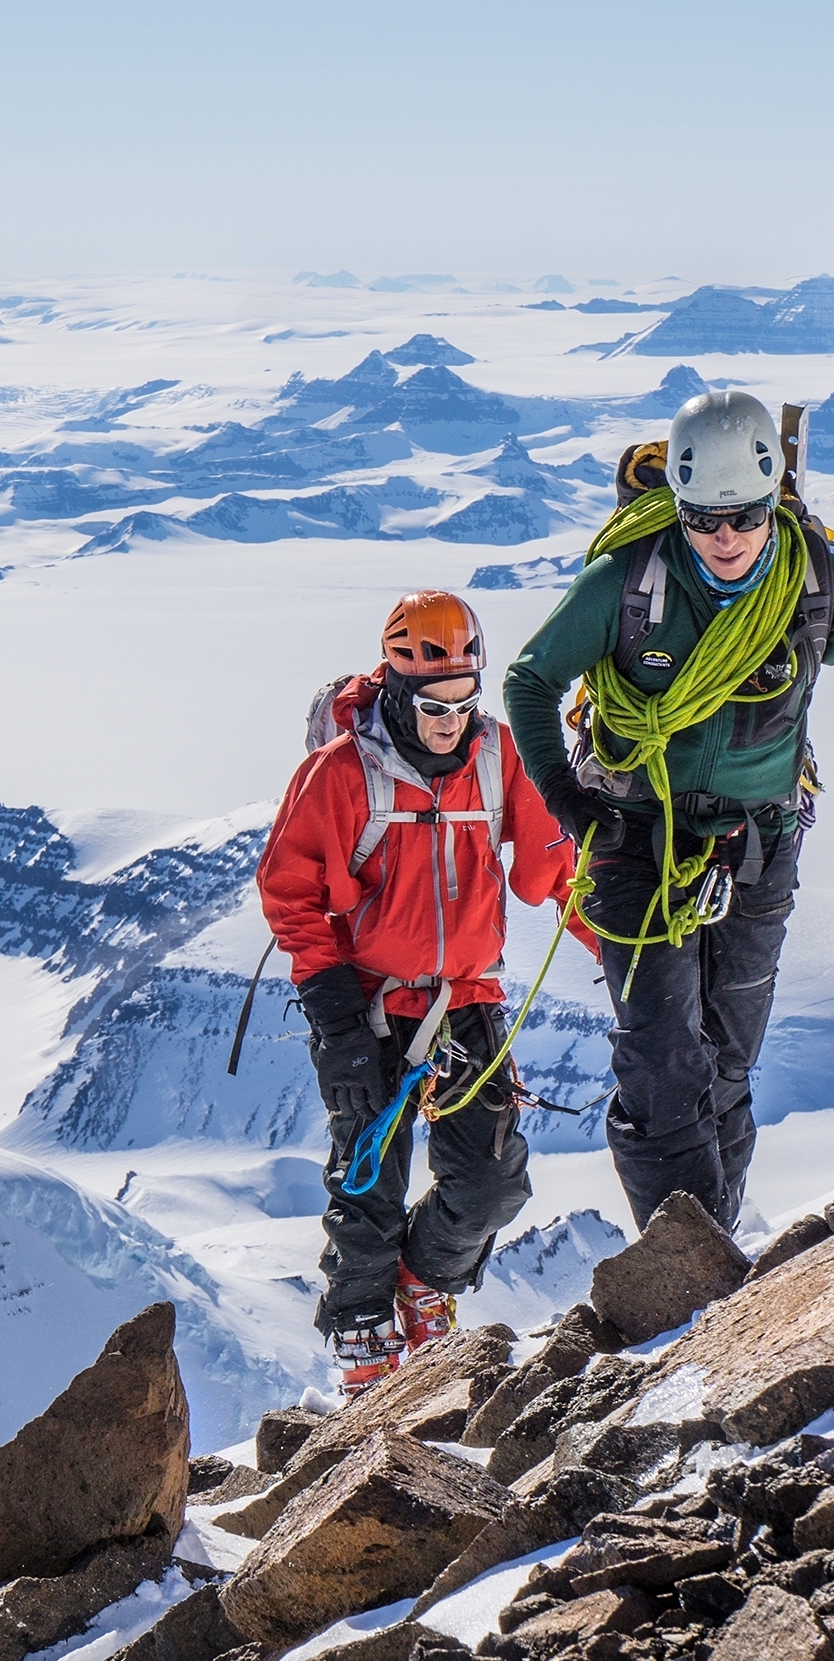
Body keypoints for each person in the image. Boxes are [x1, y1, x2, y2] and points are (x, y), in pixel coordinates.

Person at [502, 391, 834, 1237]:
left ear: (772, 498)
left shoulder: (817, 585)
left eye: (745, 515)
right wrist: (566, 797)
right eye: (704, 518)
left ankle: (708, 1255)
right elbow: (530, 678)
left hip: (759, 843)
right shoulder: (629, 583)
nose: (727, 537)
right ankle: (690, 1272)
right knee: (661, 1062)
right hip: (637, 838)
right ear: (678, 506)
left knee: (728, 1063)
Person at [259, 591, 589, 1394]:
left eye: (464, 702)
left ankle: (423, 1279)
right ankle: (364, 1343)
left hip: (467, 1000)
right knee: (369, 1180)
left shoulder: (497, 756)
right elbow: (289, 887)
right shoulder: (339, 773)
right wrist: (331, 1003)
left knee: (492, 1182)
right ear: (397, 692)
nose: (451, 720)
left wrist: (626, 950)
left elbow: (553, 870)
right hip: (367, 1003)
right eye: (433, 705)